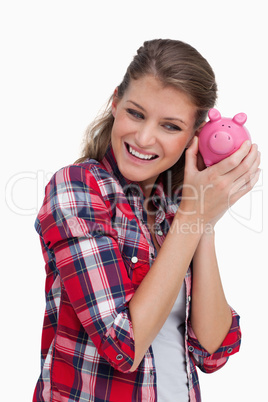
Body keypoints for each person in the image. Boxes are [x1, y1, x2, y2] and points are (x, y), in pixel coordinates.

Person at [33, 39, 260, 402]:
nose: (143, 137)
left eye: (170, 126)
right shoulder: (78, 188)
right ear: (115, 102)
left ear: (194, 136)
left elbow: (213, 351)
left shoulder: (176, 210)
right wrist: (193, 216)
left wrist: (202, 219)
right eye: (136, 113)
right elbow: (122, 346)